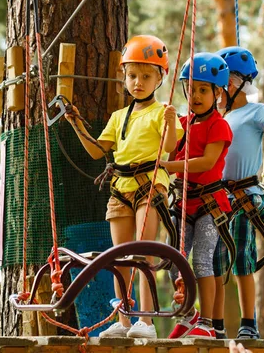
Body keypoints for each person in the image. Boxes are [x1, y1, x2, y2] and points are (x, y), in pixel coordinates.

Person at [65, 35, 183, 339]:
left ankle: (146, 320)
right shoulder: (119, 117)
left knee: (142, 252)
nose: (138, 82)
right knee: (118, 256)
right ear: (124, 78)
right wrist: (77, 125)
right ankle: (125, 319)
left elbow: (169, 147)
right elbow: (96, 150)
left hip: (149, 186)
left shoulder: (162, 112)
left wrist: (170, 123)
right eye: (132, 76)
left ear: (160, 77)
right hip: (121, 187)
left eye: (146, 76)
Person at [211, 46, 264, 339]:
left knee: (243, 257)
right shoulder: (217, 117)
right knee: (217, 261)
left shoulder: (256, 111)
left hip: (246, 195)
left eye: (219, 87)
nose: (217, 93)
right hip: (220, 196)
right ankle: (215, 325)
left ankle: (249, 324)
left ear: (232, 83)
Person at [161, 52, 233, 339]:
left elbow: (206, 162)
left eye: (203, 90)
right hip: (183, 203)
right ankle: (188, 315)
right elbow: (169, 150)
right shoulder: (183, 122)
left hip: (209, 204)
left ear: (217, 93)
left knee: (202, 261)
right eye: (190, 90)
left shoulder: (219, 125)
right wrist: (168, 125)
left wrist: (172, 167)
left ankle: (206, 322)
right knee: (171, 260)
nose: (195, 96)